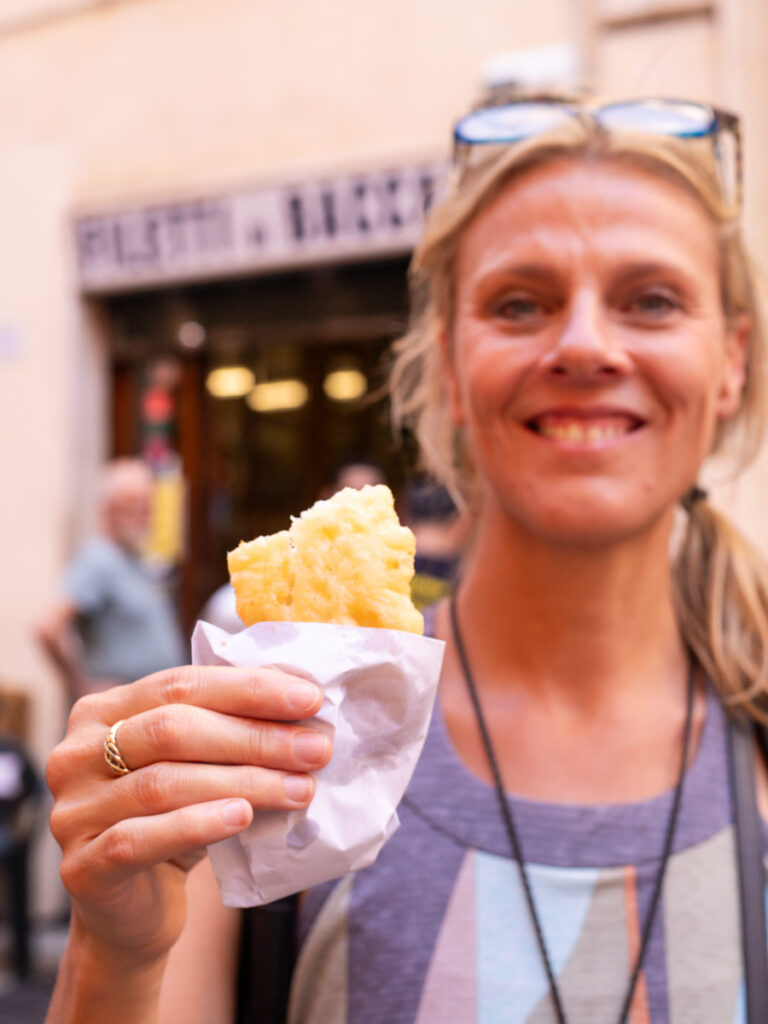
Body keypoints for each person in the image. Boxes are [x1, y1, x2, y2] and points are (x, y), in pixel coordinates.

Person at [43, 92, 768, 1024]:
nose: (585, 343)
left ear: (732, 361)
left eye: (653, 300)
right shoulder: (297, 745)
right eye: (520, 302)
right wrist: (116, 951)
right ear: (451, 362)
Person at [36, 458, 186, 704]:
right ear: (107, 508)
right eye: (131, 504)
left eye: (147, 505)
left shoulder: (135, 559)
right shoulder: (98, 558)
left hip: (148, 712)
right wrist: (82, 686)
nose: (142, 514)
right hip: (118, 714)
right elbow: (47, 627)